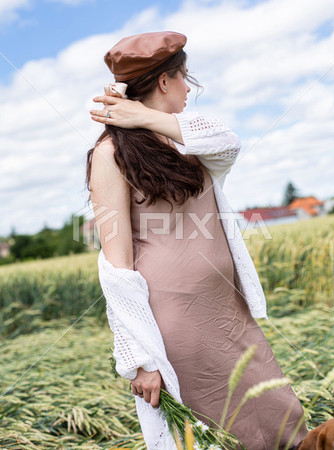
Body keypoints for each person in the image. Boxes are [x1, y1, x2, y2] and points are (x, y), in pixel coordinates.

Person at [86, 31, 309, 449]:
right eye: (184, 77)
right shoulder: (110, 154)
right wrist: (138, 361)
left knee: (277, 411)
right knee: (216, 429)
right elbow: (116, 265)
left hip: (227, 308)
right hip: (177, 323)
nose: (190, 88)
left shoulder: (186, 137)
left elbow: (229, 143)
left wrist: (142, 116)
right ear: (165, 82)